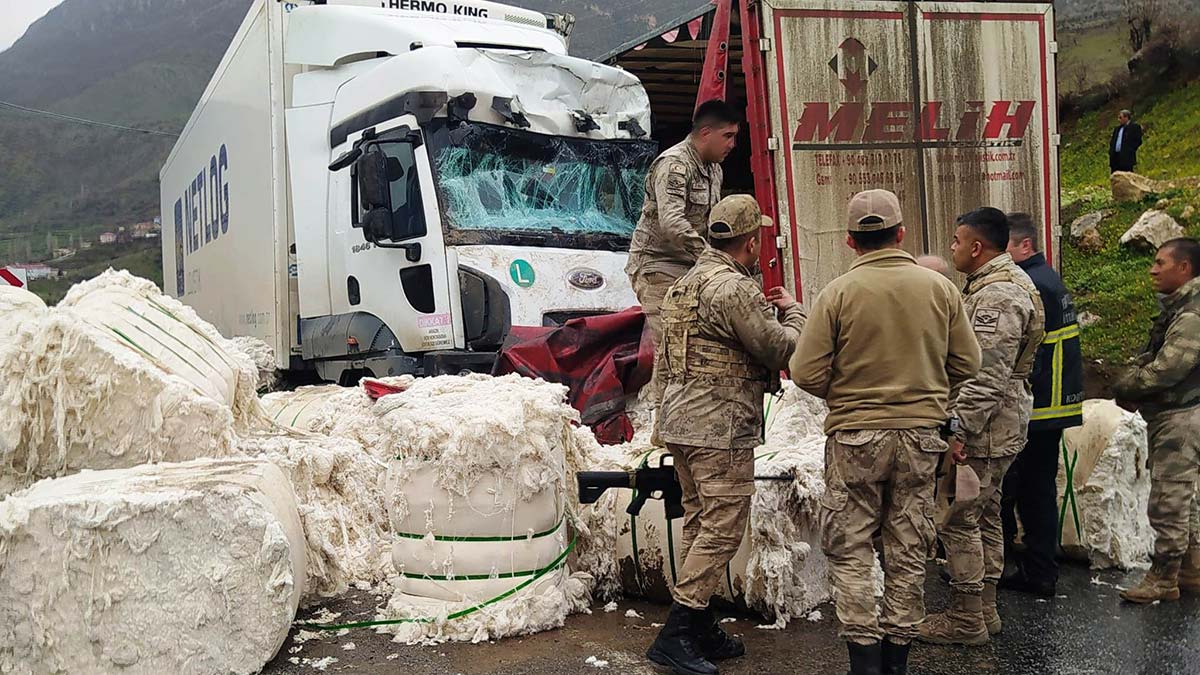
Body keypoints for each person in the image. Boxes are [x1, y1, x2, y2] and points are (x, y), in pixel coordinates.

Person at [790, 189, 981, 675]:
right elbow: (969, 363)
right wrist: (927, 394)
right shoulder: (940, 289)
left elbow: (805, 371)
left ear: (851, 242)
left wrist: (851, 394)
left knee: (851, 546)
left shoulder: (837, 293)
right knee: (908, 546)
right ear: (900, 235)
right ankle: (897, 658)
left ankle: (864, 661)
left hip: (855, 437)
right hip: (921, 438)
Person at [647, 195, 805, 675]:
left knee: (700, 522)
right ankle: (676, 634)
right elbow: (778, 350)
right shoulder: (733, 289)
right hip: (719, 427)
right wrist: (794, 314)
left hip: (678, 422)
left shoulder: (683, 285)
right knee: (723, 527)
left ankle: (699, 625)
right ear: (751, 242)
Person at [920, 208, 1044, 646]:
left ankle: (966, 617)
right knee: (986, 512)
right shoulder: (997, 286)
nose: (952, 248)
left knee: (958, 515)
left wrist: (958, 430)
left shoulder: (997, 297)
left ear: (977, 247)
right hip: (999, 419)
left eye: (956, 241)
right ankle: (985, 609)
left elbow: (985, 376)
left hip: (987, 424)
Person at [999, 214, 1084, 597]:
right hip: (1050, 407)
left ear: (1025, 246)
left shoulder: (1027, 283)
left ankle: (1024, 570)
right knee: (1039, 493)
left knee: (1018, 493)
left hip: (1034, 407)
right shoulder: (1048, 278)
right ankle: (1040, 569)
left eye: (1006, 249)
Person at [1113, 238, 1200, 603]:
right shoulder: (1181, 308)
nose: (1153, 269)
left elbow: (1169, 368)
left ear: (1184, 268)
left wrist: (1126, 384)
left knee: (1168, 499)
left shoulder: (1192, 314)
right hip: (1182, 412)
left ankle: (1163, 577)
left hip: (1181, 416)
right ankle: (1191, 570)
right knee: (1186, 499)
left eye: (1160, 262)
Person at [625, 100, 741, 357]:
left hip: (692, 268)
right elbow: (672, 223)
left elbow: (712, 222)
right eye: (728, 136)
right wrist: (714, 260)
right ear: (706, 133)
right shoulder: (675, 165)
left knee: (700, 346)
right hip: (658, 265)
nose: (732, 145)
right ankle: (657, 399)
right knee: (672, 351)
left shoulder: (715, 170)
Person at [1109, 109, 1143, 173]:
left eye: (1120, 117)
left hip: (1127, 157)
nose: (1119, 120)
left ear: (1126, 117)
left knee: (1127, 175)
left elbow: (1138, 140)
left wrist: (1130, 149)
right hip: (1116, 157)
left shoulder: (1134, 127)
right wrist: (1111, 151)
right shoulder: (1117, 129)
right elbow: (1113, 141)